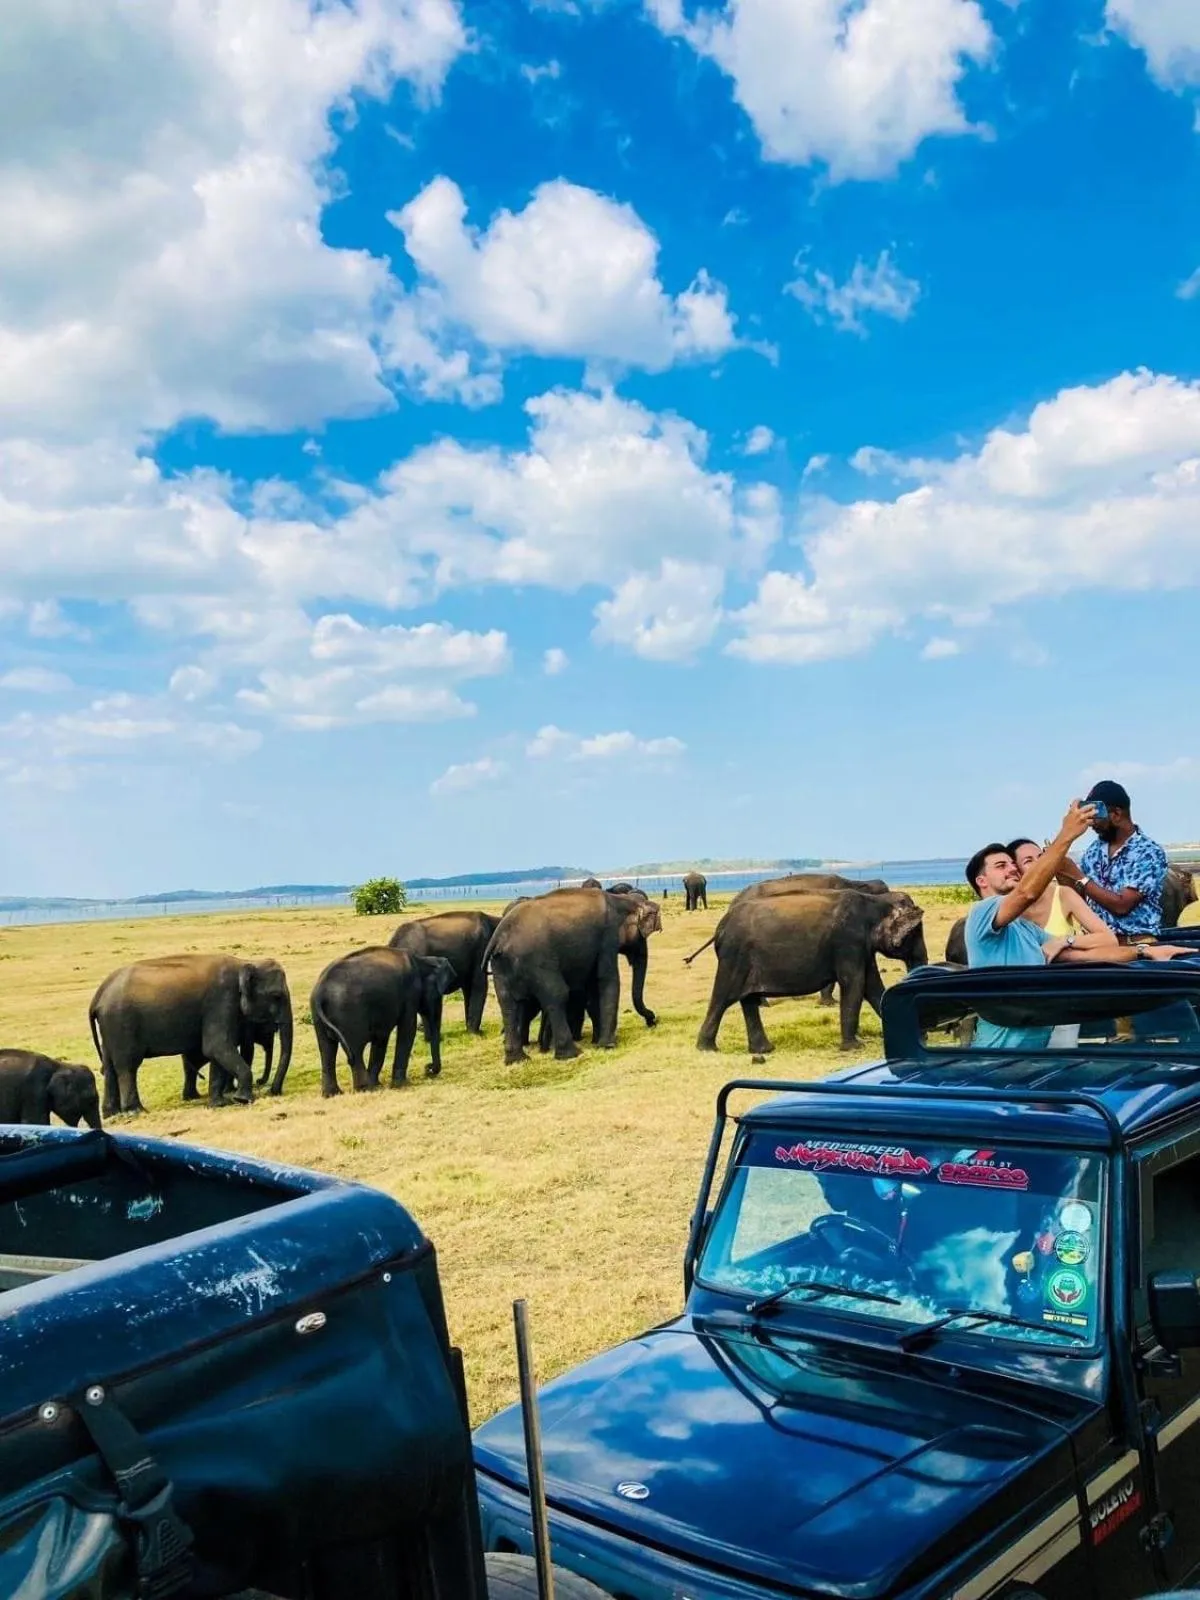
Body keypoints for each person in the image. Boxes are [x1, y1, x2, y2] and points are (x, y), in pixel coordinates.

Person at [964, 801, 1187, 1049]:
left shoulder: (1026, 930)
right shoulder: (981, 914)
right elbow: (1026, 894)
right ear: (981, 881)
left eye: (1012, 864)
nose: (1012, 870)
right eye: (1000, 865)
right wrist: (1068, 833)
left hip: (1036, 1055)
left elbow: (1081, 955)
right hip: (996, 1055)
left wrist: (1145, 951)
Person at [1056, 780, 1168, 941]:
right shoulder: (1093, 852)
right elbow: (1080, 898)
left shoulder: (1148, 852)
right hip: (1100, 944)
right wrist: (1062, 871)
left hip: (1137, 945)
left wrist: (1078, 875)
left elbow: (1122, 906)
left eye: (1096, 816)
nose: (1091, 824)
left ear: (1116, 814)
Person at [1005, 838, 1115, 941]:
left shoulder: (1063, 894)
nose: (1039, 863)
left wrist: (1066, 942)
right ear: (1015, 870)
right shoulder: (1006, 908)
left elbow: (1107, 938)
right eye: (1028, 861)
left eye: (1041, 857)